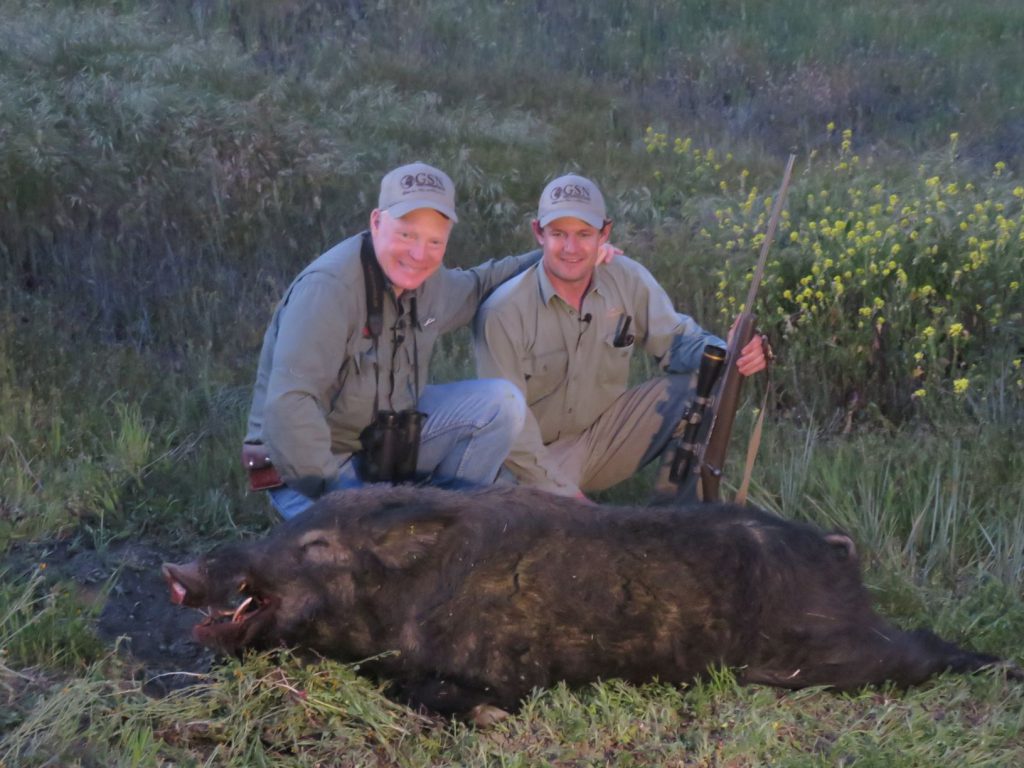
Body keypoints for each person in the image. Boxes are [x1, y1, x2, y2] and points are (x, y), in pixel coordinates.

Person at [244, 161, 539, 520]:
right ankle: (393, 525)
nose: (419, 254)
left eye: (435, 242)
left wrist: (558, 257)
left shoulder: (428, 283)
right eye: (406, 235)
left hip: (383, 453)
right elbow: (289, 406)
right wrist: (347, 502)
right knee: (364, 567)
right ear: (376, 222)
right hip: (311, 470)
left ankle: (442, 524)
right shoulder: (328, 289)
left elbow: (481, 284)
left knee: (500, 403)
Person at [473, 173, 767, 499]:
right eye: (559, 234)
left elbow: (677, 341)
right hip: (526, 462)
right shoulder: (503, 311)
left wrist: (731, 351)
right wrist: (568, 497)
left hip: (601, 439)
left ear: (605, 233)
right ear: (538, 233)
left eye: (584, 234)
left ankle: (677, 525)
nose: (571, 248)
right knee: (533, 530)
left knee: (698, 390)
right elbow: (512, 433)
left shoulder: (627, 278)